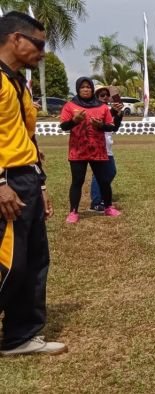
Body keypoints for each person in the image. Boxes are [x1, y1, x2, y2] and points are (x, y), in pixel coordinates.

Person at [0, 11, 65, 356]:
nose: (43, 53)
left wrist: (39, 184)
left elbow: (25, 137)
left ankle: (20, 336)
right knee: (8, 261)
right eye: (38, 44)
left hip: (25, 177)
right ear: (15, 39)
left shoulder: (18, 83)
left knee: (34, 259)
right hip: (5, 179)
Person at [60, 77, 121, 223]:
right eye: (82, 87)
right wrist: (74, 121)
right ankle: (73, 212)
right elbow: (63, 126)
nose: (86, 89)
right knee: (77, 181)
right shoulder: (69, 106)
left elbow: (112, 127)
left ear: (92, 89)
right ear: (77, 89)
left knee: (104, 181)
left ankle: (108, 207)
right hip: (78, 150)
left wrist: (100, 126)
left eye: (88, 87)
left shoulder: (101, 107)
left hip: (98, 150)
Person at [89, 85, 123, 212]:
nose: (105, 97)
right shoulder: (94, 108)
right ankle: (97, 201)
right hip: (98, 144)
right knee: (99, 174)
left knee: (110, 172)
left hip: (107, 144)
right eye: (101, 95)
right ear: (96, 97)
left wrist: (119, 114)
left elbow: (115, 127)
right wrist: (114, 111)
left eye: (106, 95)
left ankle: (101, 196)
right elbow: (100, 123)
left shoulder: (107, 109)